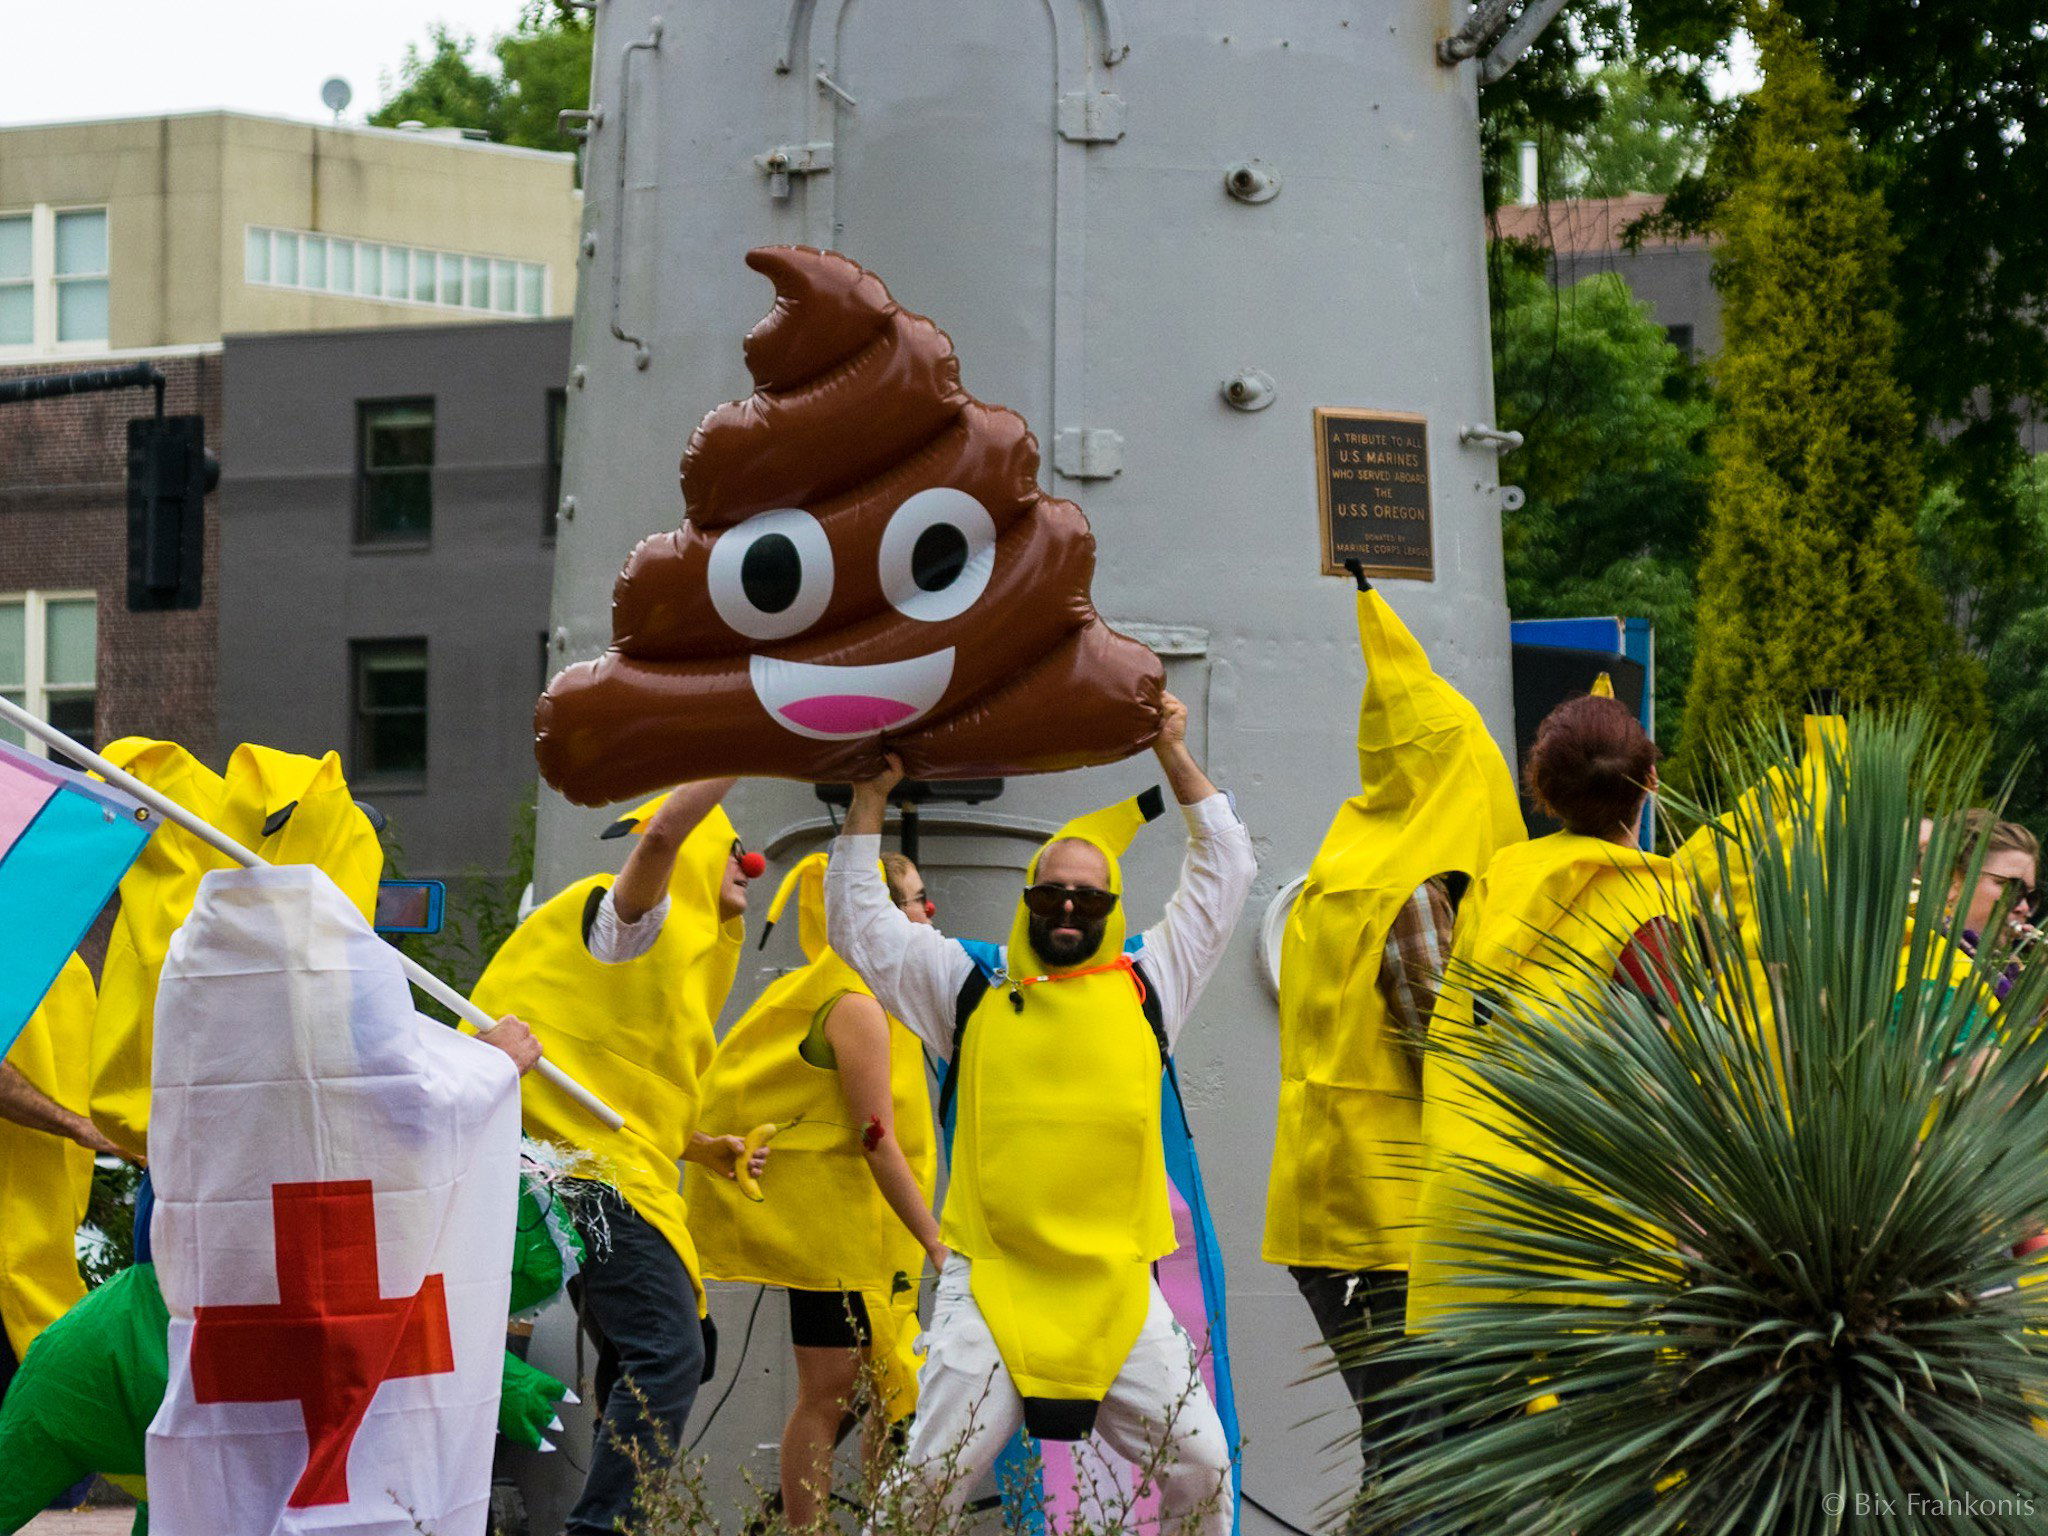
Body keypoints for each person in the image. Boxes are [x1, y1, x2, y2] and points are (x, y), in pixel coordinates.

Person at [826, 693, 1254, 1536]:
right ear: (1028, 898)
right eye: (1052, 894)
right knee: (922, 1490)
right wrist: (868, 800)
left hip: (1118, 1297)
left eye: (1088, 900)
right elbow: (859, 923)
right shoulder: (968, 991)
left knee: (1204, 1466)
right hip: (994, 1288)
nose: (1067, 909)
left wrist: (1173, 749)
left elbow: (1226, 869)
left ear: (1112, 908)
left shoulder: (1151, 984)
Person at [1261, 570, 1525, 1504]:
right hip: (1392, 1219)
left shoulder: (1340, 873)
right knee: (1421, 1459)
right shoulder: (1415, 893)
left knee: (1400, 1443)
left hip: (1326, 1206)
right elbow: (1445, 1051)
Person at [470, 780, 768, 1536]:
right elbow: (664, 836)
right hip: (587, 1178)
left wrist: (704, 1148)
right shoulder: (635, 920)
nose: (751, 864)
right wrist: (750, 737)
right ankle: (606, 1527)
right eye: (734, 849)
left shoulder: (678, 953)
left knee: (670, 1350)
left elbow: (623, 1082)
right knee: (667, 1351)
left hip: (610, 1171)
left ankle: (618, 1518)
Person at [1408, 692, 1688, 1336]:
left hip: (1470, 1217)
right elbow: (1665, 1075)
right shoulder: (1653, 905)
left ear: (1543, 787)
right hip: (1582, 1239)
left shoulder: (1499, 883)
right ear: (1650, 780)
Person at [686, 851, 942, 1526]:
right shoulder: (856, 1004)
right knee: (833, 1397)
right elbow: (875, 1137)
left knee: (867, 1395)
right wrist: (934, 1238)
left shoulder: (860, 993)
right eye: (916, 899)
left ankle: (869, 1523)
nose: (928, 911)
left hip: (865, 1238)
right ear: (878, 914)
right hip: (849, 1244)